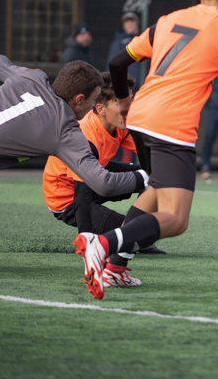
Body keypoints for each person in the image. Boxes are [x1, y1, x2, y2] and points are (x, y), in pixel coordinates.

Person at [75, 0, 218, 299]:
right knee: (176, 219)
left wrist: (123, 100)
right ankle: (102, 245)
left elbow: (118, 62)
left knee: (155, 188)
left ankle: (115, 267)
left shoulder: (167, 21)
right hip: (171, 126)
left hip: (140, 117)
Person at [0, 58, 148, 270]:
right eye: (93, 101)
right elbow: (104, 184)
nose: (94, 106)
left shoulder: (32, 76)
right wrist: (150, 177)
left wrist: (15, 78)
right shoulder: (65, 130)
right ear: (79, 98)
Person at [42, 73, 164, 288]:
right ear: (100, 109)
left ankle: (137, 240)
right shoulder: (84, 137)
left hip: (99, 176)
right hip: (68, 200)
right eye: (120, 103)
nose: (128, 108)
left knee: (156, 178)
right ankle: (111, 255)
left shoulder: (121, 124)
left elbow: (153, 156)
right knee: (137, 231)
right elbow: (81, 198)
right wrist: (86, 240)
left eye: (129, 101)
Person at [107, 12, 147, 91]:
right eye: (126, 21)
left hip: (143, 85)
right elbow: (112, 64)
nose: (129, 24)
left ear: (137, 23)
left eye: (132, 21)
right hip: (125, 86)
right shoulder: (118, 42)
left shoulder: (144, 40)